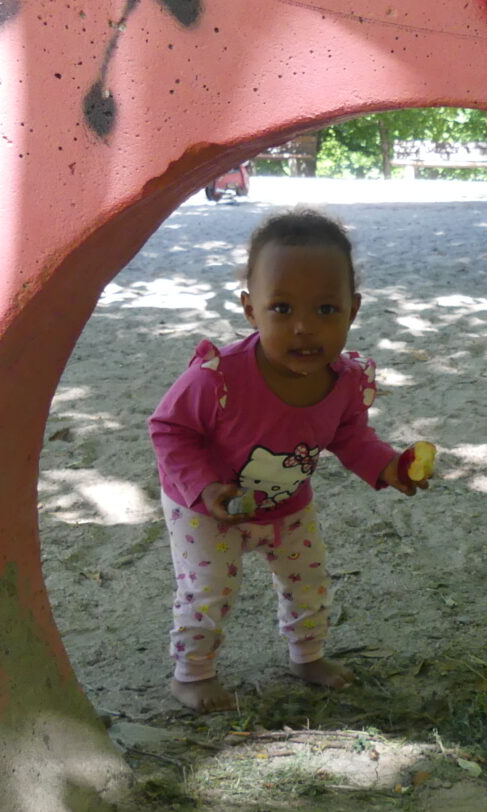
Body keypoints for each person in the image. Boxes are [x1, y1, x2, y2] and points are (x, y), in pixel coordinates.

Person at [149, 208, 432, 712]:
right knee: (209, 591)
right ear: (250, 310)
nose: (305, 328)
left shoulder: (345, 382)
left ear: (354, 310)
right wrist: (207, 488)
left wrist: (389, 466)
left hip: (287, 506)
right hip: (207, 510)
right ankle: (191, 673)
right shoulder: (217, 377)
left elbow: (351, 437)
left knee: (310, 581)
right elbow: (169, 429)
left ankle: (306, 655)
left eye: (327, 310)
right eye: (282, 308)